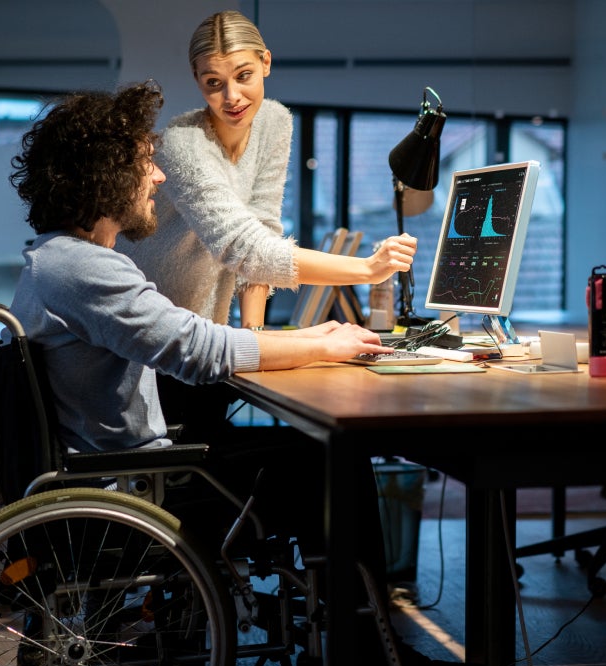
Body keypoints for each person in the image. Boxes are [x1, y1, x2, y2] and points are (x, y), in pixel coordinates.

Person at [6, 82, 498, 666]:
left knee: (298, 448)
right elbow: (198, 350)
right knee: (328, 459)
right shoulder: (85, 268)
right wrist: (320, 347)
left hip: (117, 474)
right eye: (142, 161)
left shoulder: (57, 261)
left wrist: (310, 337)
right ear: (105, 177)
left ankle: (347, 653)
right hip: (141, 485)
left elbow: (190, 339)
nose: (156, 175)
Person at [115, 9, 419, 440]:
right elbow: (246, 249)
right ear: (197, 79)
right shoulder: (184, 146)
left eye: (244, 75)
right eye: (213, 83)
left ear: (266, 63)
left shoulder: (275, 121)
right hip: (159, 347)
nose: (232, 97)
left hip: (210, 339)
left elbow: (262, 228)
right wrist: (368, 270)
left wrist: (255, 334)